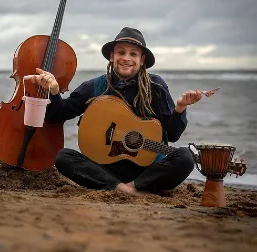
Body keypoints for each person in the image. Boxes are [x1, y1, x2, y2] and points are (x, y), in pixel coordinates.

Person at [30, 27, 202, 197]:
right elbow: (58, 115)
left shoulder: (155, 86)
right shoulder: (96, 86)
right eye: (121, 52)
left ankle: (131, 187)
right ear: (112, 56)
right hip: (107, 170)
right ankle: (126, 190)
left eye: (133, 54)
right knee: (63, 157)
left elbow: (172, 136)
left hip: (148, 171)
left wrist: (180, 109)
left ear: (142, 59)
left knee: (186, 157)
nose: (126, 58)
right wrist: (53, 90)